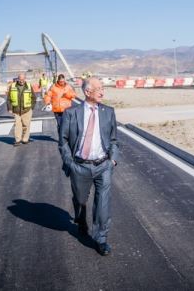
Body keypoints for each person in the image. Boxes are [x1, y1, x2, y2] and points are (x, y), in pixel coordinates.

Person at [59, 77, 119, 256]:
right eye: (98, 88)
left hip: (103, 165)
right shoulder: (71, 113)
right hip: (80, 166)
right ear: (87, 92)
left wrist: (112, 160)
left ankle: (101, 239)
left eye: (103, 88)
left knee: (103, 202)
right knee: (80, 199)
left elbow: (114, 139)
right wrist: (70, 163)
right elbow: (63, 142)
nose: (102, 91)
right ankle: (80, 218)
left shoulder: (109, 112)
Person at [6, 73, 36, 146]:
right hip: (16, 110)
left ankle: (25, 139)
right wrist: (10, 108)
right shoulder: (12, 86)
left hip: (26, 110)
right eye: (20, 79)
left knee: (26, 125)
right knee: (17, 125)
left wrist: (31, 107)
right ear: (17, 79)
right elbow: (8, 99)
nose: (21, 81)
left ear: (25, 79)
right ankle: (18, 140)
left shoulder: (29, 86)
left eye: (23, 79)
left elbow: (33, 98)